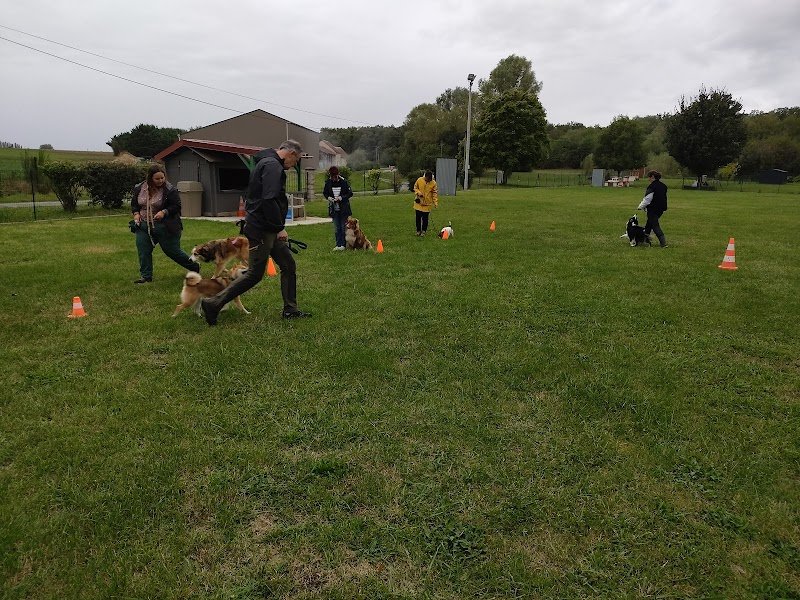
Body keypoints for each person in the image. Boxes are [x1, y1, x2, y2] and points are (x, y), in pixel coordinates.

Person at [200, 140, 311, 325]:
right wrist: (279, 228)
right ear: (291, 153)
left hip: (265, 225)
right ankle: (213, 303)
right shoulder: (272, 166)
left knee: (288, 265)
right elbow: (269, 199)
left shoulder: (265, 163)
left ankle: (290, 309)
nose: (294, 165)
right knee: (254, 274)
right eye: (296, 160)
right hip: (263, 228)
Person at [131, 164, 199, 283]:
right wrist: (136, 213)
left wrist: (164, 212)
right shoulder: (140, 188)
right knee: (143, 250)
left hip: (165, 226)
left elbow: (177, 206)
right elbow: (134, 204)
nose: (160, 181)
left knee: (172, 251)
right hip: (143, 225)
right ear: (150, 178)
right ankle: (146, 276)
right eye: (157, 179)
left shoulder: (170, 190)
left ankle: (194, 267)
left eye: (162, 178)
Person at [322, 166, 353, 250]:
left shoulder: (344, 182)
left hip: (344, 209)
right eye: (332, 177)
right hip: (334, 209)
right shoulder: (328, 182)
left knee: (343, 227)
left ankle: (343, 244)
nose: (334, 178)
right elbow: (325, 193)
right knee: (337, 227)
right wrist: (329, 198)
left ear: (338, 174)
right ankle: (338, 244)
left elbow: (350, 193)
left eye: (335, 176)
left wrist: (341, 198)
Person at [638, 170, 668, 247]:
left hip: (653, 209)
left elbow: (647, 199)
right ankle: (644, 240)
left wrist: (640, 207)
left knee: (655, 225)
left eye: (649, 177)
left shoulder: (652, 186)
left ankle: (663, 243)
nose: (648, 179)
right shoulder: (663, 186)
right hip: (661, 209)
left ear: (652, 177)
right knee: (649, 224)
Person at [413, 170, 438, 236]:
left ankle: (424, 231)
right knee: (418, 218)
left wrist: (435, 202)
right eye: (427, 179)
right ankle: (418, 231)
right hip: (418, 203)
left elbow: (434, 193)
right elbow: (415, 188)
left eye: (429, 180)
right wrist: (418, 193)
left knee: (425, 219)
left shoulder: (433, 183)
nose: (428, 181)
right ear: (425, 177)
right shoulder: (419, 180)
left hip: (427, 204)